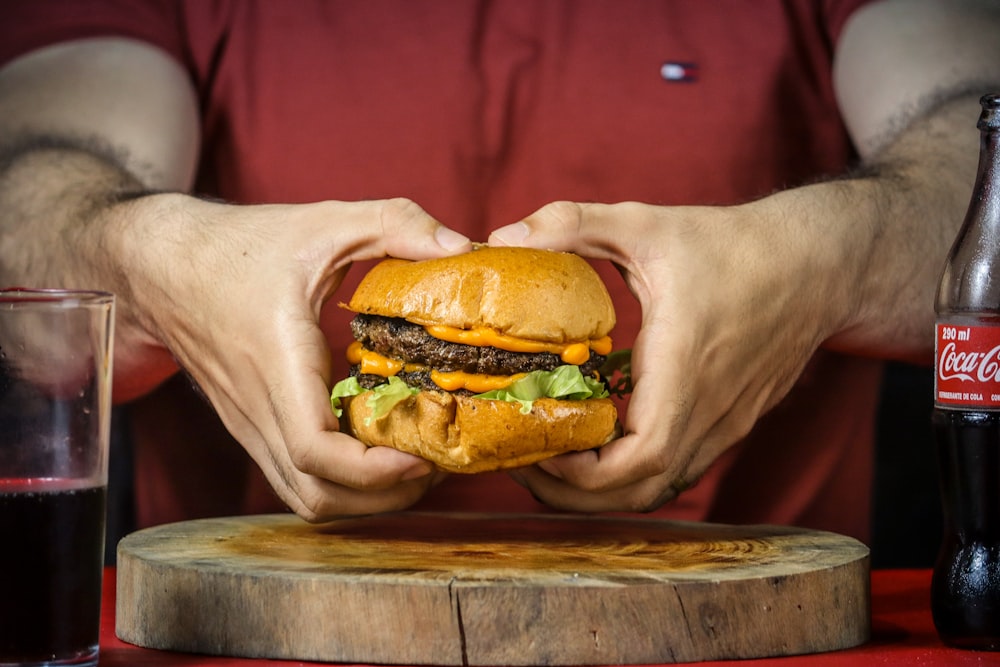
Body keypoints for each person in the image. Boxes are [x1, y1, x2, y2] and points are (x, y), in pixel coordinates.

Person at [0, 0, 998, 547]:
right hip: (250, 633)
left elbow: (979, 121)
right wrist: (153, 261)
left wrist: (829, 255)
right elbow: (33, 206)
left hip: (746, 627)